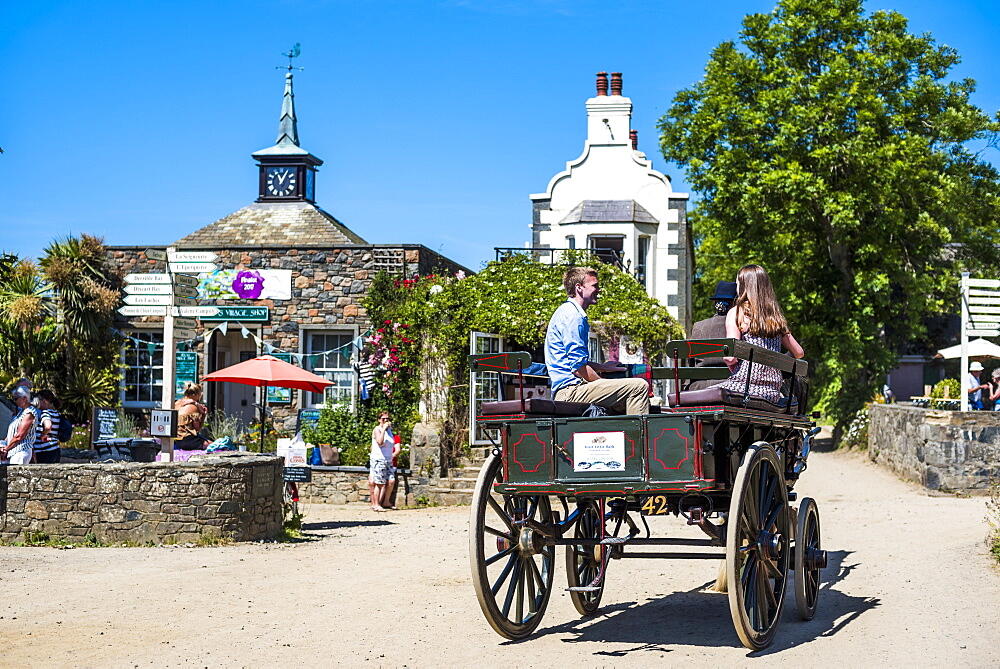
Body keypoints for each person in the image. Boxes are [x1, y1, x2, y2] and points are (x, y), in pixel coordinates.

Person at [544, 267, 649, 415]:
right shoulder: (573, 316)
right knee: (639, 386)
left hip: (571, 390)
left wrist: (603, 367)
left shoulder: (568, 311)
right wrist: (604, 383)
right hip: (570, 392)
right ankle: (636, 430)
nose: (599, 290)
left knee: (625, 397)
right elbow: (579, 369)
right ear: (579, 288)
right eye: (595, 285)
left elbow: (575, 362)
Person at [718, 265, 805, 404]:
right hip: (772, 392)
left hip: (743, 388)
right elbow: (799, 352)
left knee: (708, 396)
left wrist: (734, 368)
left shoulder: (737, 313)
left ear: (743, 286)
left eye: (738, 283)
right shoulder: (775, 317)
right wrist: (777, 362)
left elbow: (729, 358)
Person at [686, 280, 737, 391]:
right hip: (731, 386)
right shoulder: (739, 328)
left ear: (715, 304)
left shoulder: (698, 326)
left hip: (699, 387)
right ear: (735, 304)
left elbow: (691, 362)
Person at [368, 411, 399, 512]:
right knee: (379, 483)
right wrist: (384, 429)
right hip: (379, 460)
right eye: (383, 419)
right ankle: (376, 504)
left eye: (387, 419)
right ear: (379, 420)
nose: (386, 420)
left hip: (388, 460)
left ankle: (386, 502)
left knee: (391, 480)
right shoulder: (377, 429)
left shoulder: (390, 431)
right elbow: (380, 442)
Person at [1, 386, 38, 465]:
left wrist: (6, 449)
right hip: (14, 452)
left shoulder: (29, 413)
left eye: (16, 399)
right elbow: (12, 434)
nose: (14, 401)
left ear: (24, 398)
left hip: (21, 452)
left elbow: (20, 436)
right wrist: (4, 445)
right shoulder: (21, 412)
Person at [173, 383, 210, 449]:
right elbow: (197, 428)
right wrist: (204, 415)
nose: (200, 396)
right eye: (199, 394)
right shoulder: (194, 407)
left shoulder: (176, 403)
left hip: (175, 440)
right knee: (215, 445)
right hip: (187, 440)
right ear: (194, 395)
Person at [33, 389, 63, 464]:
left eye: (38, 400)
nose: (37, 402)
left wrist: (43, 435)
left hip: (45, 451)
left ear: (44, 401)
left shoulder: (45, 413)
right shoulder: (55, 413)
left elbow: (48, 426)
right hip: (54, 449)